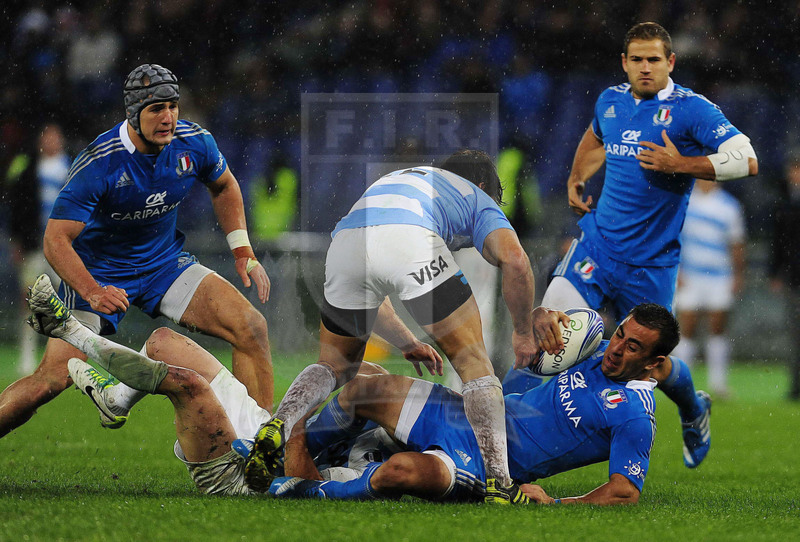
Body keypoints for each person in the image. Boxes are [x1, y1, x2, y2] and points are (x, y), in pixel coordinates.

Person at [245, 150, 564, 504]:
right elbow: (516, 260)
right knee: (475, 363)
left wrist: (407, 340)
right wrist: (522, 332)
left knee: (335, 365)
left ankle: (280, 424)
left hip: (346, 242)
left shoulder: (400, 182)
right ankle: (500, 484)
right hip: (411, 239)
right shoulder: (475, 196)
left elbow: (374, 277)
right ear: (483, 184)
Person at [0, 64, 273, 441]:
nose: (168, 118)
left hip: (165, 266)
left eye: (173, 106)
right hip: (99, 275)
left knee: (251, 327)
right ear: (132, 113)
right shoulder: (100, 162)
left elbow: (224, 185)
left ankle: (262, 444)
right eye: (157, 108)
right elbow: (55, 240)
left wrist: (242, 249)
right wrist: (93, 290)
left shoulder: (194, 142)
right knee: (49, 381)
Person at [540, 22, 758, 468]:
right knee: (549, 339)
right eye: (636, 59)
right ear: (624, 62)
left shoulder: (691, 110)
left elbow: (747, 159)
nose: (645, 67)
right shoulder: (611, 100)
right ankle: (505, 437)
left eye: (654, 59)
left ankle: (694, 408)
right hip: (596, 249)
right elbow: (597, 136)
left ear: (670, 62)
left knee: (650, 369)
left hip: (651, 266)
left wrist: (682, 164)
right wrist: (576, 176)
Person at [24, 273, 436, 495]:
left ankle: (66, 329)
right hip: (264, 429)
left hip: (245, 472)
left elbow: (302, 481)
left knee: (187, 385)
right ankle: (115, 398)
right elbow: (361, 304)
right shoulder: (383, 405)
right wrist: (406, 344)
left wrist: (292, 436)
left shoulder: (374, 472)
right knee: (163, 342)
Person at [268, 303, 677, 506]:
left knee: (400, 472)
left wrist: (554, 504)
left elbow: (624, 492)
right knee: (363, 387)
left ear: (655, 362)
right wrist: (538, 319)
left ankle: (314, 487)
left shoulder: (634, 415)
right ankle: (279, 457)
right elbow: (532, 355)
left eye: (632, 346)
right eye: (621, 333)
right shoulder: (592, 348)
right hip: (471, 415)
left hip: (485, 465)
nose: (616, 348)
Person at [4, 123, 71, 374]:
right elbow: (17, 206)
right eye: (48, 135)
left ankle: (65, 354)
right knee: (30, 299)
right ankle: (27, 356)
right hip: (35, 246)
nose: (52, 140)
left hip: (65, 247)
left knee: (67, 301)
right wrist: (17, 241)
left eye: (56, 136)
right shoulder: (29, 167)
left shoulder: (72, 168)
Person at [673, 180, 746, 398]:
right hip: (689, 274)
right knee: (687, 325)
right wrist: (676, 271)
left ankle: (719, 384)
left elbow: (737, 242)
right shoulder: (685, 201)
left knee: (717, 326)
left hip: (719, 275)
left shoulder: (729, 206)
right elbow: (673, 238)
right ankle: (680, 384)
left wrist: (738, 274)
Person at [769, 152, 800, 401]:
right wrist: (775, 272)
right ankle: (796, 386)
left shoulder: (786, 203)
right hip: (795, 277)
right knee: (795, 335)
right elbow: (778, 243)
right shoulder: (784, 202)